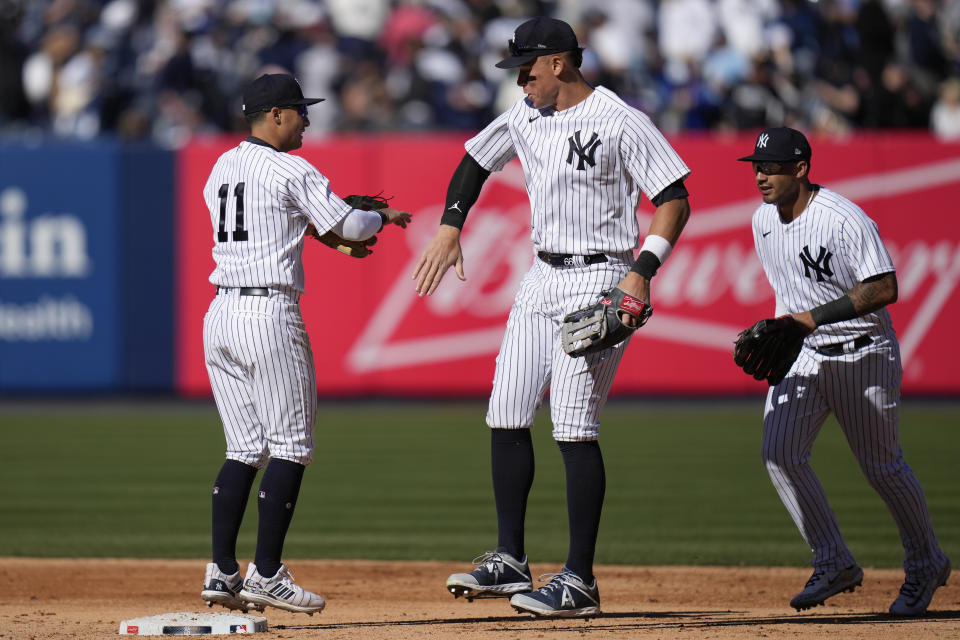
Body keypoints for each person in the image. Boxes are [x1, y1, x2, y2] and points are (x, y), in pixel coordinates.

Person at [413, 17, 691, 618]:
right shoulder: (525, 117)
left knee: (572, 425)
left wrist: (641, 271)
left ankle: (580, 580)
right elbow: (474, 160)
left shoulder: (619, 118)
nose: (520, 81)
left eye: (527, 69)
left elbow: (673, 197)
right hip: (541, 275)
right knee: (507, 409)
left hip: (601, 274)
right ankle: (511, 557)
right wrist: (450, 226)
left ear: (559, 63)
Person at [199, 73, 410, 615]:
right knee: (291, 447)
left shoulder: (221, 166)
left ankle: (222, 570)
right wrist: (375, 217)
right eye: (299, 110)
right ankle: (266, 574)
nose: (307, 119)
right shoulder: (292, 167)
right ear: (274, 115)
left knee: (244, 449)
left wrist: (328, 233)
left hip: (221, 310)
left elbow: (283, 223)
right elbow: (354, 225)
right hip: (268, 312)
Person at [737, 126, 950, 616]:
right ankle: (832, 560)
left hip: (863, 352)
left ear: (801, 168)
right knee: (780, 454)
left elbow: (884, 287)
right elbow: (789, 293)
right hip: (805, 353)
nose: (761, 175)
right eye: (756, 166)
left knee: (882, 467)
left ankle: (925, 562)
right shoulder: (761, 220)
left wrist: (808, 319)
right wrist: (779, 331)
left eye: (771, 166)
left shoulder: (842, 219)